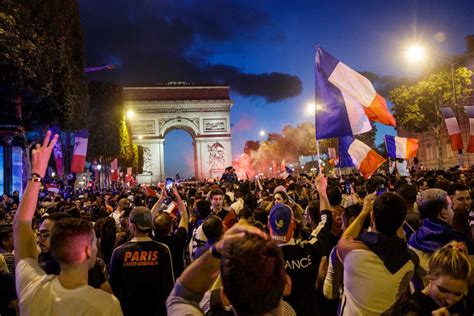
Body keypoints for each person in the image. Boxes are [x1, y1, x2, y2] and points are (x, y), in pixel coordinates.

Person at [13, 131, 122, 315]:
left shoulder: (33, 287)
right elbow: (21, 225)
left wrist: (36, 174)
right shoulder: (106, 306)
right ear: (88, 251)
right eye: (95, 243)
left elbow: (21, 225)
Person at [167, 224, 295, 315]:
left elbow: (181, 297)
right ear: (287, 284)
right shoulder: (290, 312)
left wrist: (217, 249)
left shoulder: (214, 302)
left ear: (224, 297)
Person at [337, 192, 416, 315]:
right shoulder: (409, 265)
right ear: (401, 223)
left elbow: (345, 237)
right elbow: (400, 243)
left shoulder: (352, 252)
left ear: (372, 217)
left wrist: (364, 212)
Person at [110, 206, 174, 316]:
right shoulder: (163, 250)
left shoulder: (119, 252)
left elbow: (114, 287)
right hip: (157, 310)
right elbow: (169, 284)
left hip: (128, 310)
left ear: (133, 226)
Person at [409, 188, 474, 291]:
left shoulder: (413, 238)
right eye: (451, 207)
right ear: (444, 213)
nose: (453, 211)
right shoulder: (460, 241)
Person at [402, 241, 473, 315]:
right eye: (443, 290)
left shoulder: (465, 304)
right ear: (429, 275)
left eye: (458, 294)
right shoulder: (412, 308)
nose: (449, 301)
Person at [154, 185, 188, 279]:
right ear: (171, 228)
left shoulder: (152, 242)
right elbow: (184, 217)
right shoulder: (178, 239)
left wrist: (161, 199)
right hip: (176, 283)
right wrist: (177, 195)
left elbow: (149, 218)